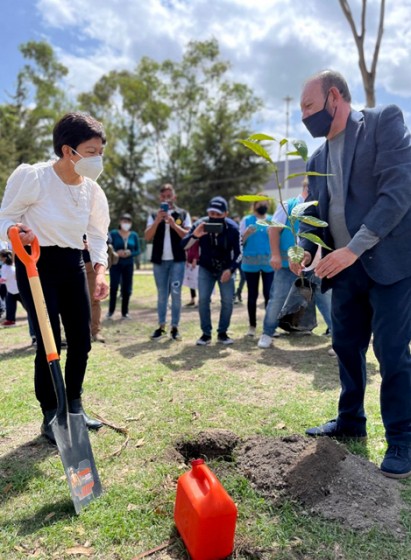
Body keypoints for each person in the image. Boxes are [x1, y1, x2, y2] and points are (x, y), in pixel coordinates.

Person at [291, 69, 411, 479]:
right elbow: (317, 217)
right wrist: (304, 251)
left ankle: (402, 438)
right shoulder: (316, 159)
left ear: (334, 97)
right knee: (345, 345)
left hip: (389, 264)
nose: (304, 116)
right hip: (342, 272)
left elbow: (398, 193)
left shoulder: (383, 123)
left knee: (392, 352)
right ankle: (350, 420)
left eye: (308, 107)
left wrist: (353, 249)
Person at [0, 111, 110, 444]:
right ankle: (51, 412)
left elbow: (98, 234)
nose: (97, 159)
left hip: (74, 262)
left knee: (82, 339)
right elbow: (6, 216)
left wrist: (100, 271)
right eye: (90, 152)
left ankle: (73, 406)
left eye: (100, 152)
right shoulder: (34, 177)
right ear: (67, 150)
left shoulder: (92, 191)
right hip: (37, 264)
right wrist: (16, 233)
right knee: (49, 342)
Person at [182, 196, 242, 346]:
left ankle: (222, 333)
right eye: (211, 214)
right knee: (203, 301)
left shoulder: (233, 228)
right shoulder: (200, 224)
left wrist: (231, 269)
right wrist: (196, 235)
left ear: (225, 214)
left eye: (218, 214)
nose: (214, 217)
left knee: (228, 301)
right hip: (206, 268)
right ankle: (205, 334)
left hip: (226, 269)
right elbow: (183, 245)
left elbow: (240, 253)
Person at [257, 182, 309, 348]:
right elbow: (273, 229)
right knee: (278, 298)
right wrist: (276, 255)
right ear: (308, 188)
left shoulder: (320, 205)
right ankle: (267, 332)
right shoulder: (288, 205)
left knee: (326, 299)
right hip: (288, 264)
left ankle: (338, 339)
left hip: (313, 264)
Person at [145, 183, 191, 341]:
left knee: (176, 294)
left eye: (169, 196)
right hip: (159, 262)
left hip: (177, 261)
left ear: (174, 197)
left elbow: (187, 235)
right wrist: (158, 220)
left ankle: (175, 327)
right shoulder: (153, 215)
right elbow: (147, 237)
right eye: (164, 196)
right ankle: (161, 326)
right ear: (160, 198)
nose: (167, 199)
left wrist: (173, 224)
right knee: (162, 295)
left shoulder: (182, 214)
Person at [239, 198, 274, 337]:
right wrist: (247, 233)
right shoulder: (246, 220)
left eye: (265, 203)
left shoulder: (272, 219)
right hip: (250, 262)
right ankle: (252, 326)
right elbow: (240, 241)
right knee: (252, 295)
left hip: (268, 262)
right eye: (260, 203)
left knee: (269, 295)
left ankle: (269, 327)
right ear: (254, 205)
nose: (263, 205)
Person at [107, 213, 140, 320]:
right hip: (116, 264)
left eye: (128, 221)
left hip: (128, 264)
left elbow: (138, 250)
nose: (126, 224)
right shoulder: (113, 233)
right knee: (114, 287)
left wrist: (130, 253)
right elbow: (108, 246)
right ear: (120, 222)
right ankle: (110, 311)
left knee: (127, 288)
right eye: (124, 221)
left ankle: (125, 312)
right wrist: (117, 252)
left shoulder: (134, 235)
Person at [0, 248, 36, 343]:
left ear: (3, 257)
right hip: (18, 289)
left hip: (13, 290)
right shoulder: (14, 264)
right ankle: (11, 320)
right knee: (30, 311)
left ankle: (34, 335)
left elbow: (3, 279)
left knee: (30, 311)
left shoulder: (5, 267)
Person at [83, 236, 104, 342]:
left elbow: (105, 239)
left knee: (94, 299)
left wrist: (90, 245)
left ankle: (95, 332)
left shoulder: (93, 221)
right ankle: (79, 332)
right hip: (70, 265)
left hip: (91, 265)